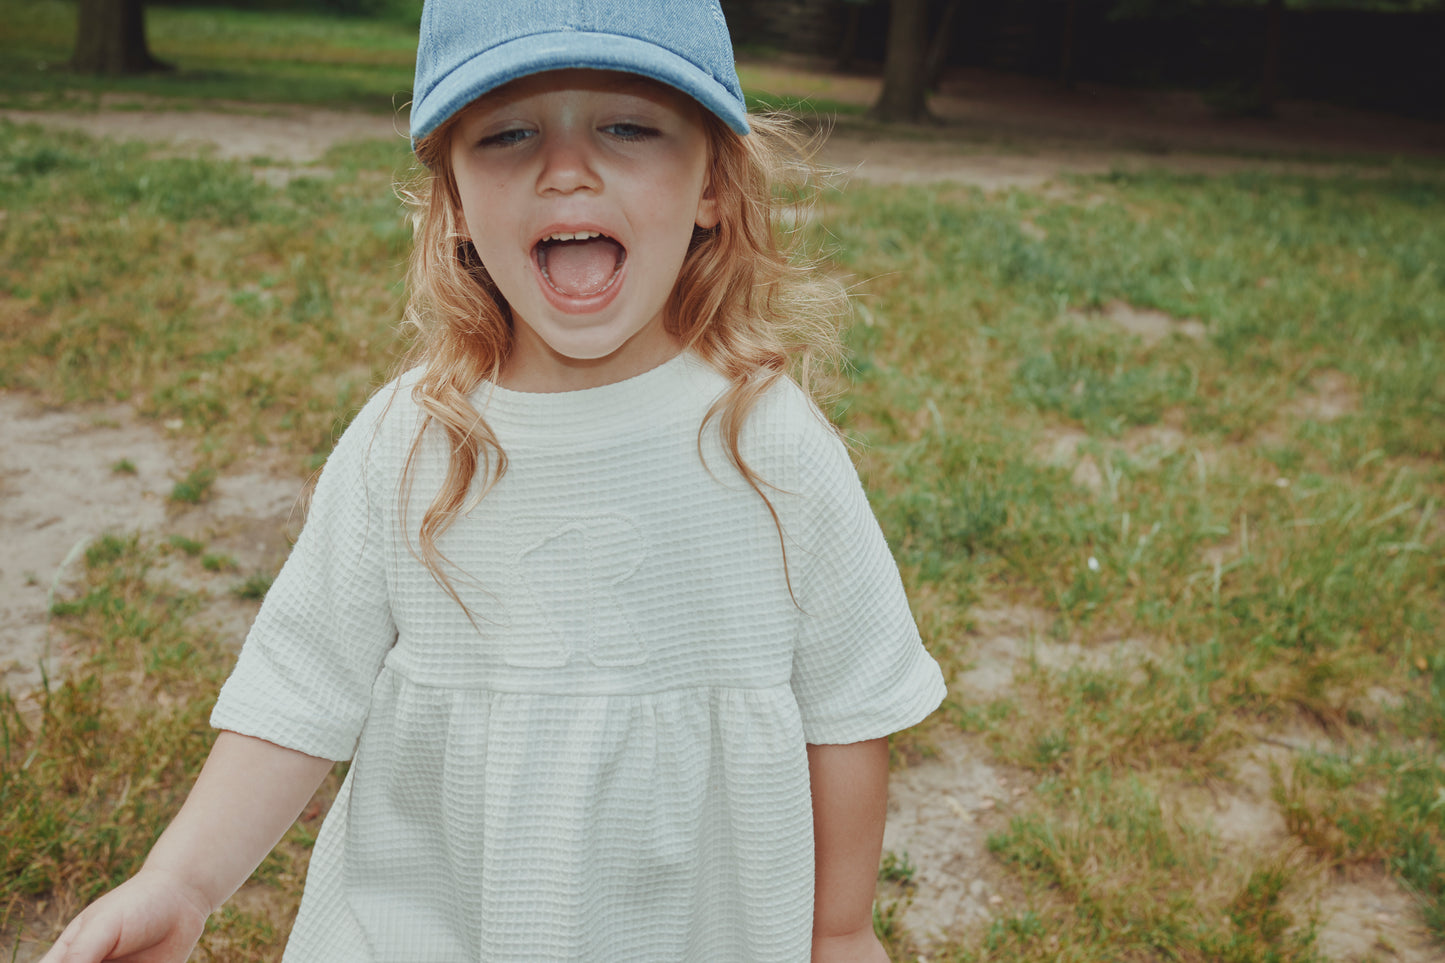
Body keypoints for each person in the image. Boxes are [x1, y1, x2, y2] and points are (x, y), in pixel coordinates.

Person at [40, 1, 946, 960]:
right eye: (508, 134)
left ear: (714, 184)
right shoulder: (412, 439)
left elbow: (848, 709)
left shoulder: (771, 446)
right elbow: (297, 688)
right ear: (457, 201)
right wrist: (181, 880)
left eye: (628, 126)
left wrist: (839, 928)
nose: (566, 169)